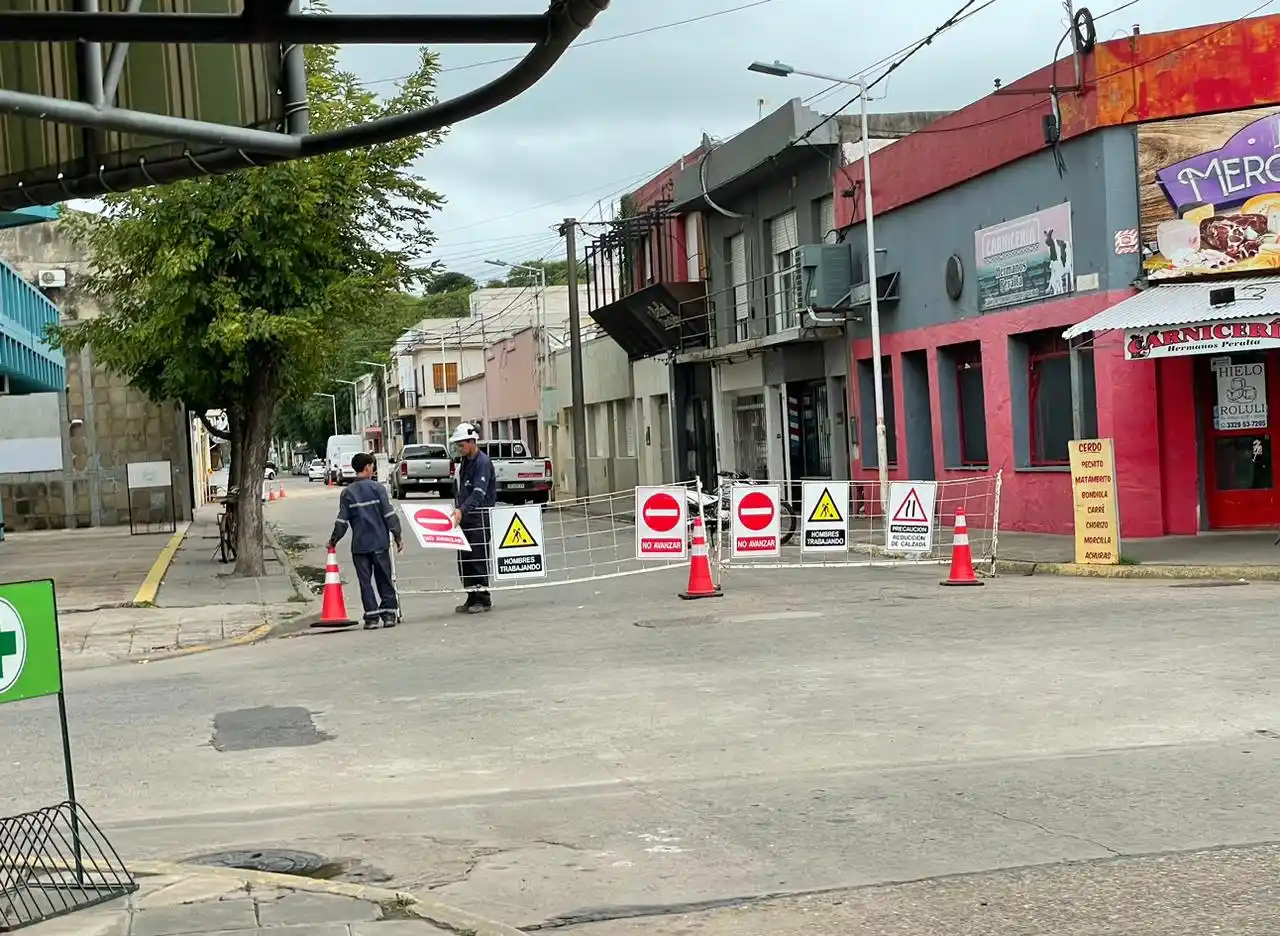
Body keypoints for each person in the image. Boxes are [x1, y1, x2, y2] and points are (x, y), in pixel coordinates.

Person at [326, 451, 404, 629]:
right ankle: (389, 614)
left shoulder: (347, 493)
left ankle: (371, 617)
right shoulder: (378, 489)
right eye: (372, 467)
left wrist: (333, 540)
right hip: (379, 543)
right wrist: (397, 535)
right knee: (384, 578)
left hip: (360, 546)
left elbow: (342, 521)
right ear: (368, 467)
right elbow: (389, 514)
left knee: (365, 582)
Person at [450, 422, 496, 614]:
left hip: (478, 518)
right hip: (465, 518)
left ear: (471, 441)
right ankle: (471, 596)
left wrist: (462, 510)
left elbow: (478, 494)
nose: (459, 448)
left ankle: (483, 599)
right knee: (465, 559)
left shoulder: (482, 463)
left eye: (461, 444)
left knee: (477, 558)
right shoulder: (466, 462)